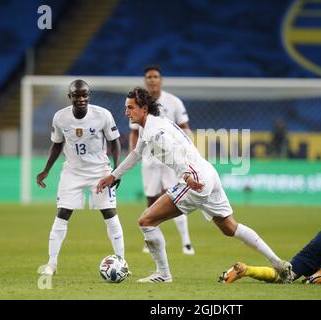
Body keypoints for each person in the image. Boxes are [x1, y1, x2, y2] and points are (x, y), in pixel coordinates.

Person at [97, 87, 292, 283]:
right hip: (208, 174)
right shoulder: (155, 125)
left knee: (146, 221)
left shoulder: (156, 132)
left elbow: (176, 154)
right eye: (126, 107)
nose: (126, 112)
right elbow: (137, 154)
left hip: (194, 180)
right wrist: (113, 176)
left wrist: (187, 175)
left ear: (144, 109)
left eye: (130, 107)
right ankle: (278, 263)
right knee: (229, 227)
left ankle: (163, 274)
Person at [37, 80, 127, 277]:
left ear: (89, 95)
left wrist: (116, 169)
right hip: (72, 172)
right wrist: (46, 170)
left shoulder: (103, 115)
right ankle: (51, 264)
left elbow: (115, 142)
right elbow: (57, 145)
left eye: (84, 95)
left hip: (100, 172)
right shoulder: (60, 117)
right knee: (62, 214)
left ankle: (122, 262)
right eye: (77, 95)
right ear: (70, 97)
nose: (81, 99)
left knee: (110, 213)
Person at [129, 66, 195, 255]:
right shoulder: (137, 104)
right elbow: (134, 132)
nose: (152, 80)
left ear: (161, 80)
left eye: (155, 77)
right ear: (145, 81)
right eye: (149, 77)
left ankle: (186, 242)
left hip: (170, 157)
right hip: (149, 157)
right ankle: (150, 240)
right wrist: (135, 154)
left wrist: (188, 150)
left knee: (174, 195)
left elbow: (185, 128)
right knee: (151, 198)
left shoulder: (173, 102)